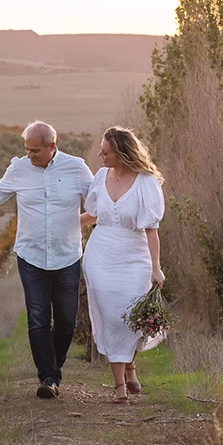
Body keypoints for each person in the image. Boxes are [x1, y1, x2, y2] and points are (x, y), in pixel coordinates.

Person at [0, 121, 94, 399]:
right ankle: (48, 377)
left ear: (52, 147)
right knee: (38, 319)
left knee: (66, 322)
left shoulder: (76, 168)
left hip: (67, 257)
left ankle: (53, 369)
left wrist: (79, 222)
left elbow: (98, 202)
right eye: (26, 150)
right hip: (31, 256)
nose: (29, 156)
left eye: (35, 151)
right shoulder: (19, 168)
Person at [80, 126, 166, 404]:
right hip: (100, 257)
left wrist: (156, 268)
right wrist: (58, 223)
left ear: (121, 153)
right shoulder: (101, 177)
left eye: (105, 152)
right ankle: (119, 385)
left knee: (131, 318)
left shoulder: (146, 181)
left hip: (134, 258)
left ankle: (130, 366)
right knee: (111, 317)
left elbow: (152, 229)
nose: (100, 155)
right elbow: (93, 215)